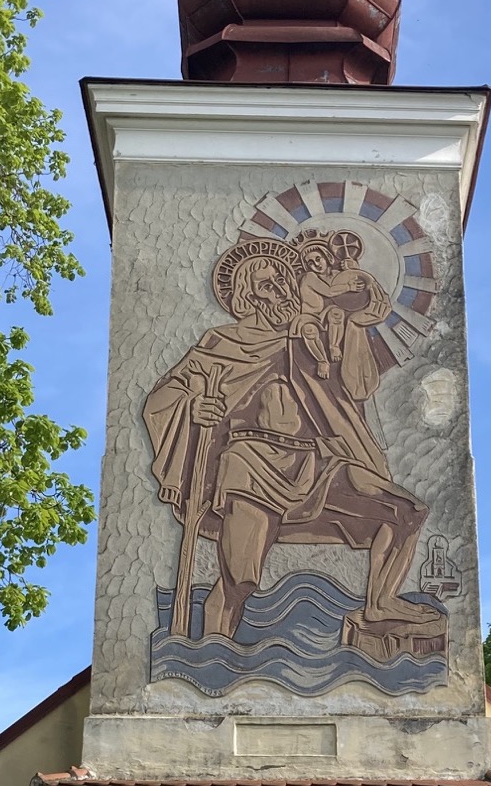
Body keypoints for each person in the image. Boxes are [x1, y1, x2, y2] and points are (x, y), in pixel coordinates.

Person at [144, 234, 431, 642]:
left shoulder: (309, 339)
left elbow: (359, 386)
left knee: (406, 512)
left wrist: (354, 324)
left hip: (317, 460)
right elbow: (161, 400)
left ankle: (381, 603)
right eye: (267, 285)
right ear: (248, 298)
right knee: (239, 581)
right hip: (250, 464)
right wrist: (193, 406)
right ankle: (212, 654)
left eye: (282, 280)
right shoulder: (221, 344)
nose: (280, 290)